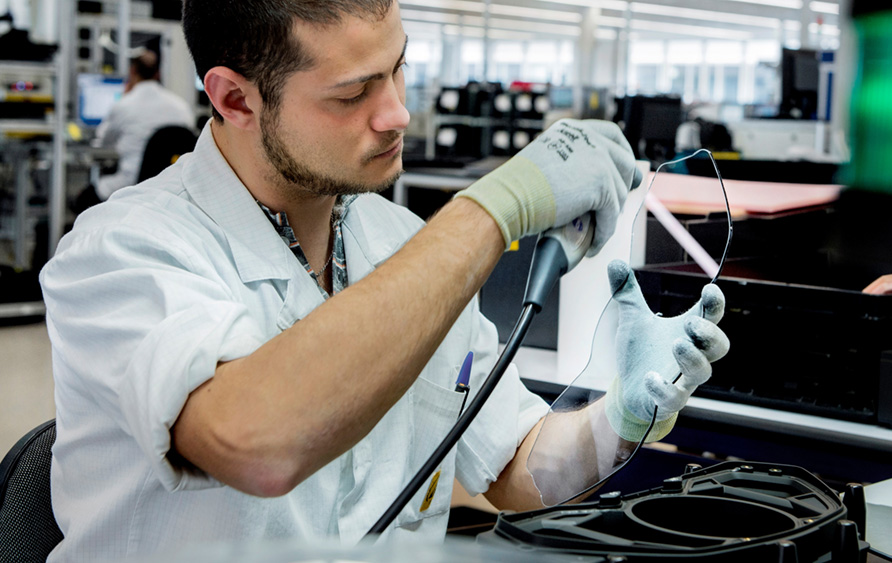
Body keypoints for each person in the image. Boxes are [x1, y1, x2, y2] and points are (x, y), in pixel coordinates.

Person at [39, 1, 729, 560]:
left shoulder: (395, 242)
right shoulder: (121, 252)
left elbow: (514, 464)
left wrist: (623, 417)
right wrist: (488, 213)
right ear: (235, 99)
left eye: (398, 70)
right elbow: (256, 441)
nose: (397, 111)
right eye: (352, 93)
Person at [92, 48, 196, 200]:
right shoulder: (181, 106)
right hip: (170, 189)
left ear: (132, 71)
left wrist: (125, 95)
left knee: (85, 197)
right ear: (158, 74)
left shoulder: (124, 104)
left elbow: (103, 141)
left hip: (129, 185)